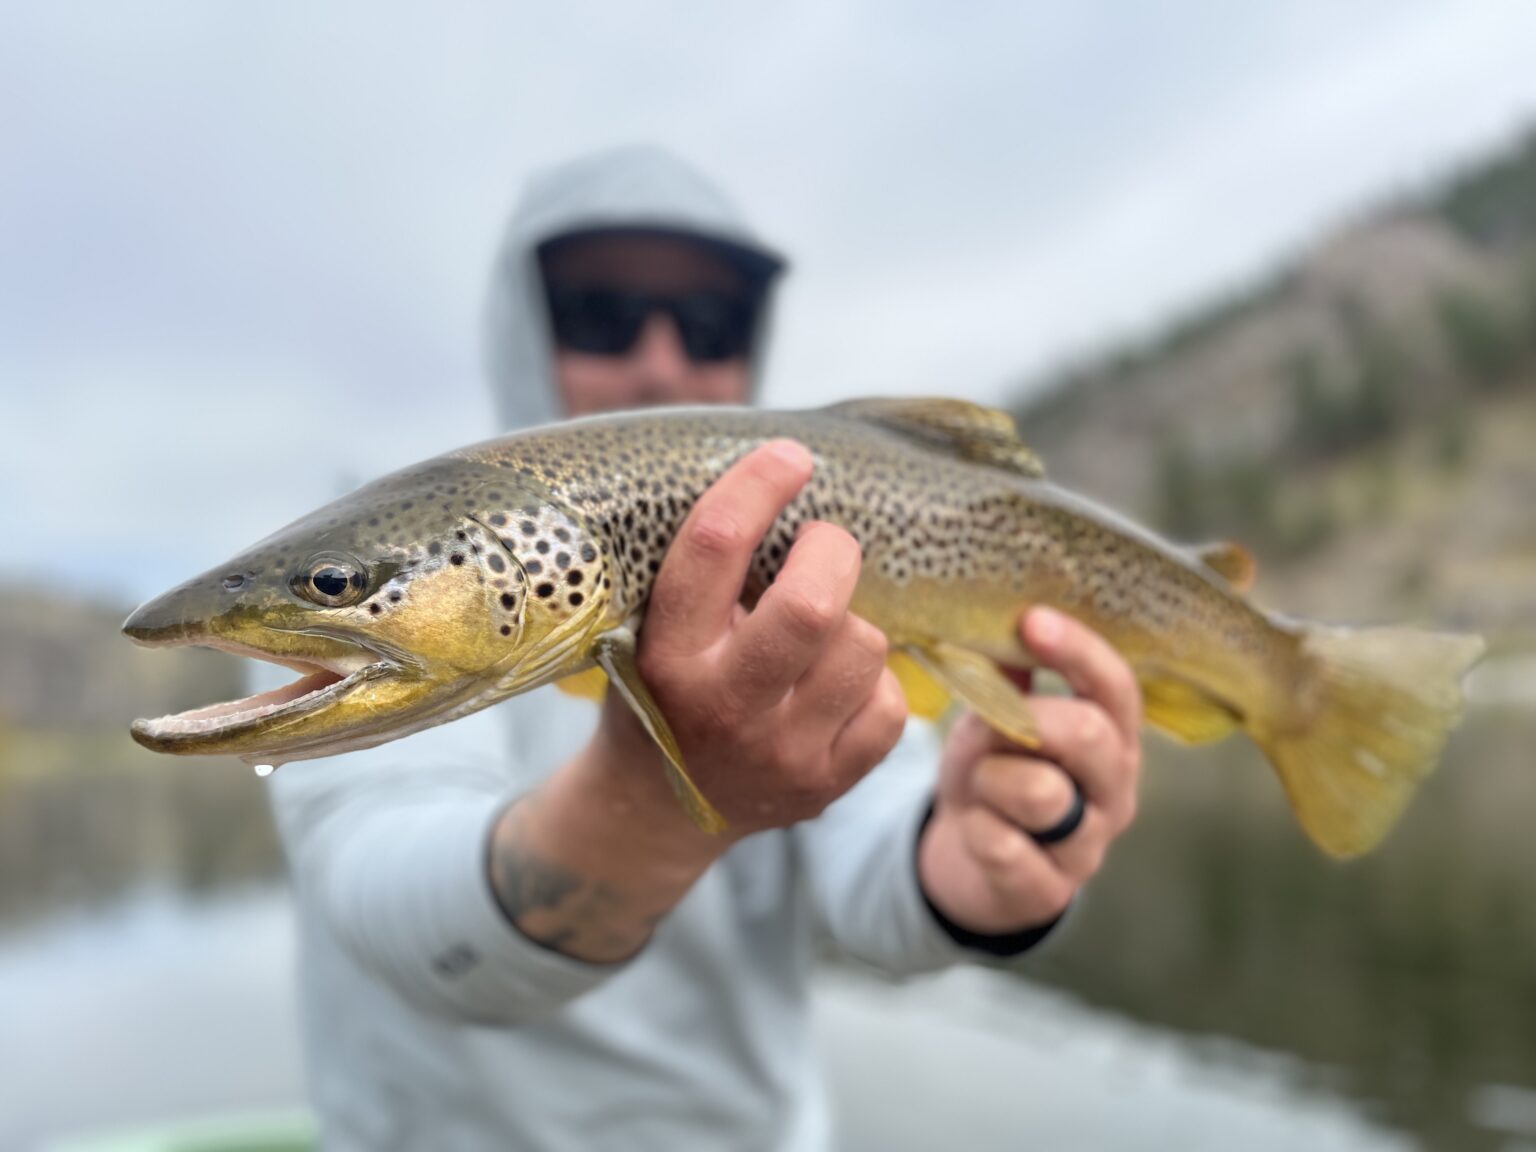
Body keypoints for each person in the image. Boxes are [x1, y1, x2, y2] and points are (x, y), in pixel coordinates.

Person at [270, 146, 1143, 1150]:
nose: (660, 362)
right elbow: (389, 909)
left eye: (710, 323)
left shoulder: (807, 551)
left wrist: (981, 860)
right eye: (599, 314)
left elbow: (881, 849)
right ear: (520, 324)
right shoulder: (379, 574)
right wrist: (651, 806)